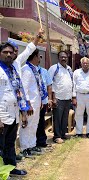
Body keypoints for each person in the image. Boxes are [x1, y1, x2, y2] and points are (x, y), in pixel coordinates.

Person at [0, 42, 28, 176]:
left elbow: (19, 92)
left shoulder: (13, 70)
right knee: (0, 146)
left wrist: (23, 113)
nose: (9, 54)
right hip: (2, 115)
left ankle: (11, 169)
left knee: (10, 144)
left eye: (11, 52)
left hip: (14, 114)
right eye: (5, 52)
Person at [20, 49, 47, 157]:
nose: (40, 58)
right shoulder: (26, 69)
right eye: (39, 56)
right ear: (34, 56)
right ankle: (24, 148)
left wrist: (40, 101)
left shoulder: (34, 69)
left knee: (34, 125)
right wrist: (28, 105)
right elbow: (24, 89)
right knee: (27, 125)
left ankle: (31, 145)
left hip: (36, 102)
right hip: (30, 104)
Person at [48, 51, 73, 144]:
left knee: (64, 117)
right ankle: (57, 136)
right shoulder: (54, 68)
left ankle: (63, 134)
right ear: (58, 58)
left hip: (67, 97)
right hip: (58, 97)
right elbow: (49, 83)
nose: (63, 59)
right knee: (57, 118)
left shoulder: (69, 69)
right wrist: (52, 97)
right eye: (62, 57)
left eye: (65, 57)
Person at [72, 57, 89, 138]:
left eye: (87, 63)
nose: (85, 64)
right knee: (78, 114)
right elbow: (73, 85)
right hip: (79, 95)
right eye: (83, 63)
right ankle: (79, 132)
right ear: (81, 64)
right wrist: (74, 97)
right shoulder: (76, 72)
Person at [36, 61, 53, 148]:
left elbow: (49, 86)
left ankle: (41, 141)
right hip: (34, 102)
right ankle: (32, 143)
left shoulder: (44, 71)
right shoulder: (27, 70)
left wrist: (50, 99)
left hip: (44, 101)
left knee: (41, 121)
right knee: (33, 123)